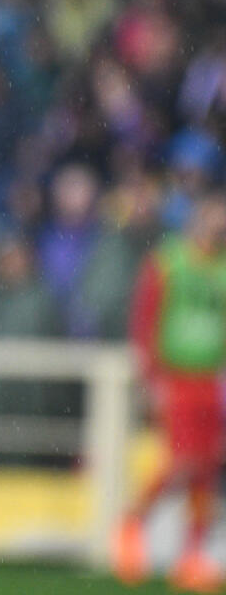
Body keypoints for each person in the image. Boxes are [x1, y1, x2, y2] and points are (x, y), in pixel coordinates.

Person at [113, 190, 226, 592]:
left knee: (208, 468)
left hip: (210, 379)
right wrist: (150, 376)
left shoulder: (222, 268)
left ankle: (191, 556)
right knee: (184, 462)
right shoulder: (168, 261)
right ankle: (132, 523)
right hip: (175, 376)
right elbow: (144, 319)